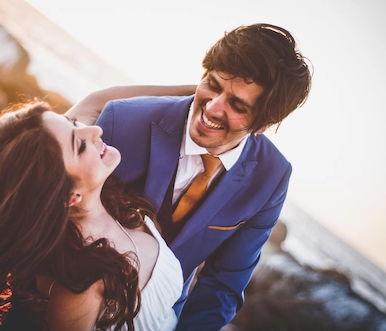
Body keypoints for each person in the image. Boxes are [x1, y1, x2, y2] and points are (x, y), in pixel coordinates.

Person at [66, 23, 312, 330]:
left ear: (264, 124)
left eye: (237, 105)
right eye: (213, 84)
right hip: (74, 292)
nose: (213, 107)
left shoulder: (271, 177)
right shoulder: (122, 121)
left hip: (161, 316)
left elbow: (222, 286)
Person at [0, 99, 193, 331]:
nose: (96, 129)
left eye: (74, 122)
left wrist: (202, 92)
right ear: (66, 197)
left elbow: (100, 100)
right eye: (79, 145)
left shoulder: (120, 207)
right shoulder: (81, 282)